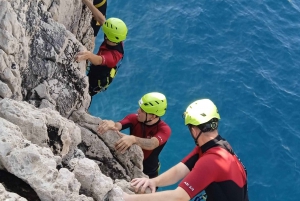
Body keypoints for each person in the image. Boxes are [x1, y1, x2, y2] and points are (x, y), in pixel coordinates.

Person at [123, 99, 249, 201]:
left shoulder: (212, 161)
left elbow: (179, 196)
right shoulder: (217, 147)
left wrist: (128, 199)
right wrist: (152, 181)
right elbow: (180, 169)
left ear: (194, 130)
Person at [97, 92, 171, 179]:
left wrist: (133, 139)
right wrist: (111, 124)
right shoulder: (134, 118)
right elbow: (118, 125)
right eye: (140, 108)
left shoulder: (164, 129)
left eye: (142, 110)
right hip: (131, 164)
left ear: (153, 116)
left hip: (150, 172)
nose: (138, 111)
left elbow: (152, 143)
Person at [76, 0, 128, 96]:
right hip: (97, 68)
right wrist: (87, 2)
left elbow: (98, 60)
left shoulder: (112, 57)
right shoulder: (115, 38)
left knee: (87, 93)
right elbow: (101, 19)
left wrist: (88, 55)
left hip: (96, 81)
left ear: (109, 36)